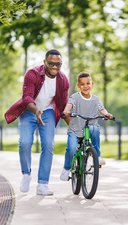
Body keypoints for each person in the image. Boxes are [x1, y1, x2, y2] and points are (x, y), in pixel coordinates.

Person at [5, 49, 69, 195]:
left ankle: (42, 184)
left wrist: (72, 124)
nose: (55, 67)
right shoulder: (32, 73)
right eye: (51, 63)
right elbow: (27, 98)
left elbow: (63, 104)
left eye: (58, 64)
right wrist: (36, 111)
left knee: (48, 145)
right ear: (44, 62)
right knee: (25, 142)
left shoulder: (63, 80)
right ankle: (26, 174)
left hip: (48, 112)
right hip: (29, 111)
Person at [60, 72, 113, 181]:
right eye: (82, 84)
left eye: (88, 83)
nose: (85, 86)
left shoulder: (96, 99)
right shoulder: (75, 97)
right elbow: (69, 106)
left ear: (92, 84)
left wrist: (107, 114)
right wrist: (66, 112)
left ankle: (96, 156)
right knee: (72, 148)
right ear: (78, 86)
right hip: (75, 129)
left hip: (90, 127)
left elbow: (102, 109)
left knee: (95, 130)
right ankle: (66, 169)